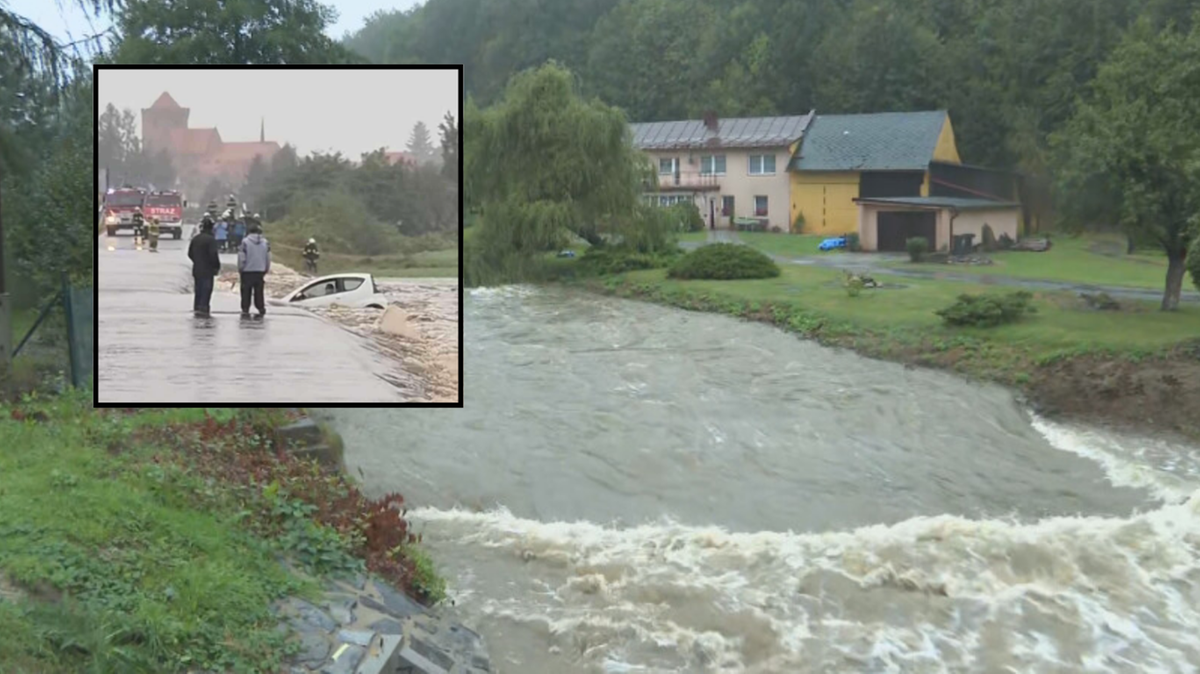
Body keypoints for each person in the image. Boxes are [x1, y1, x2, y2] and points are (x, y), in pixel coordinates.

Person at [187, 219, 221, 316]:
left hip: (197, 269)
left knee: (198, 290)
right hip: (208, 270)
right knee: (206, 290)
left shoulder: (196, 239)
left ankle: (197, 307)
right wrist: (216, 266)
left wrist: (197, 261)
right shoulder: (211, 240)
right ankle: (204, 308)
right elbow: (213, 255)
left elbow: (190, 253)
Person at [238, 222, 271, 317]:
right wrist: (266, 269)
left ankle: (245, 309)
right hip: (260, 270)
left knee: (246, 292)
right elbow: (268, 257)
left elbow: (242, 257)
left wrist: (241, 268)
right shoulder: (265, 242)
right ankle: (261, 308)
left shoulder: (245, 242)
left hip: (247, 271)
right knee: (259, 292)